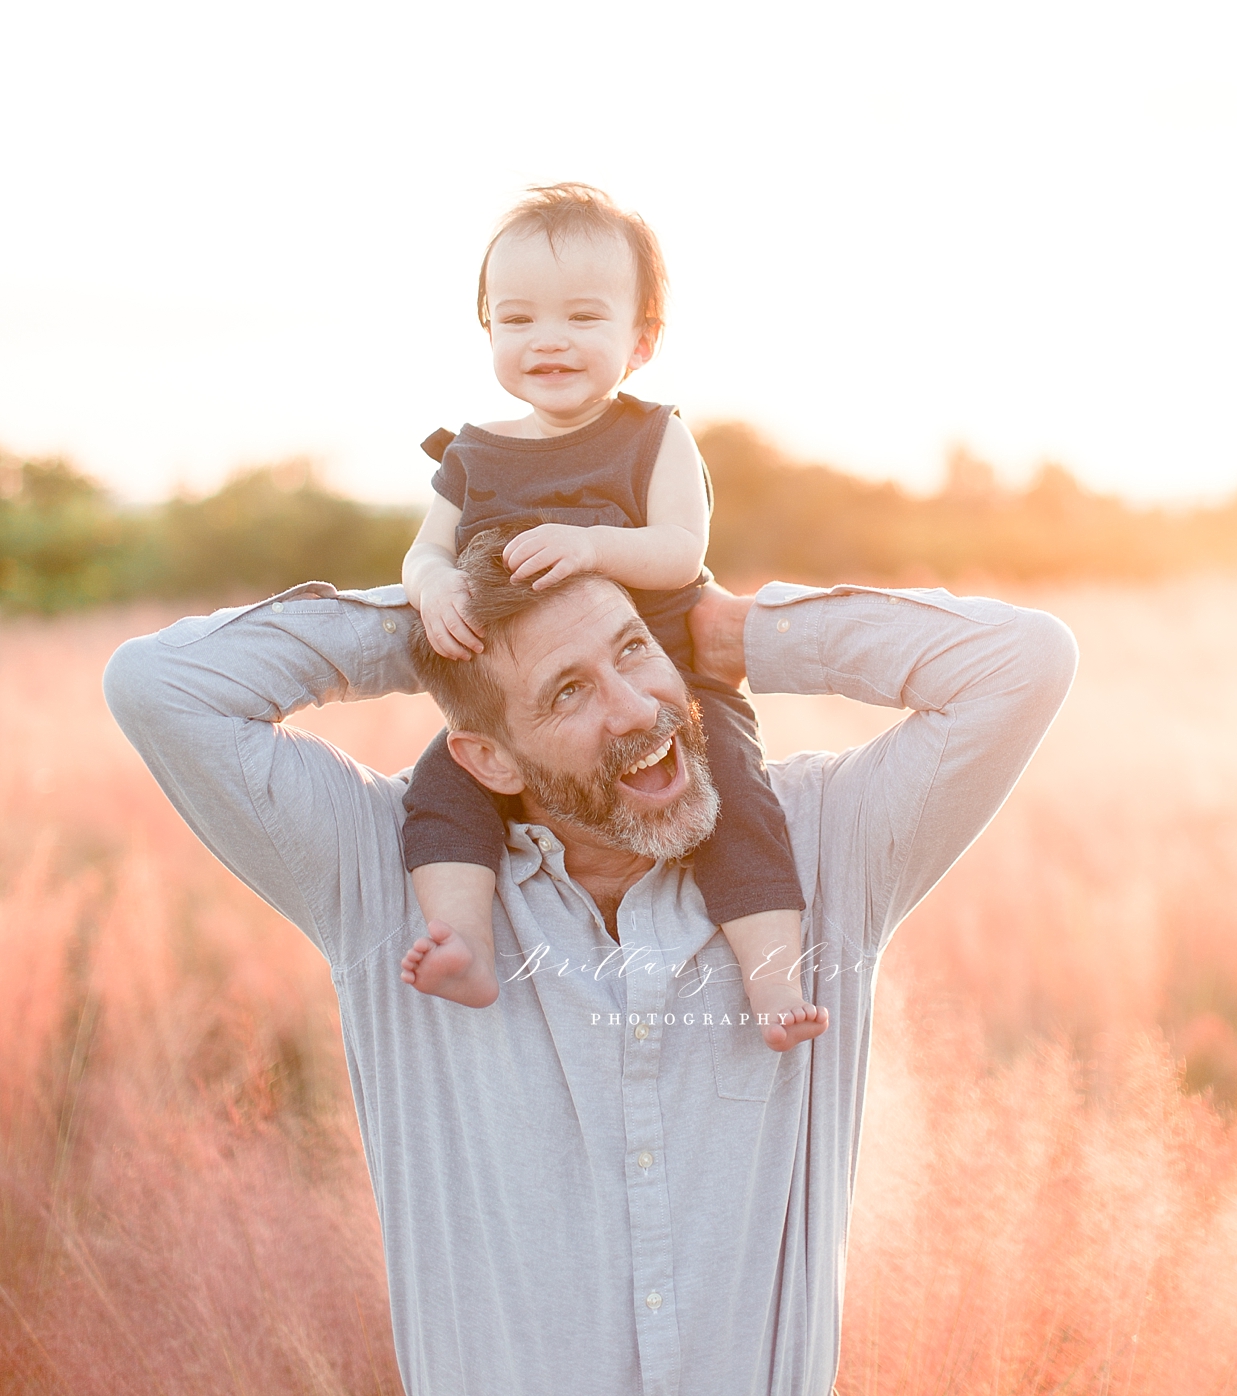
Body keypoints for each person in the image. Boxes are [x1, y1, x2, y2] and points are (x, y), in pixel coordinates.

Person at [103, 536, 1076, 1396]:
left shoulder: (826, 846)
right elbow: (160, 686)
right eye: (567, 689)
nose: (637, 706)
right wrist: (440, 611)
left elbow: (1021, 661)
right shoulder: (382, 871)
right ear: (487, 756)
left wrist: (733, 633)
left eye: (633, 648)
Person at [400, 182, 822, 1049]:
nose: (546, 339)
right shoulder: (474, 455)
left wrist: (590, 548)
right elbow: (423, 554)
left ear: (639, 340)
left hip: (671, 685)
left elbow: (676, 550)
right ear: (488, 332)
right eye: (515, 320)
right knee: (441, 790)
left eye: (581, 318)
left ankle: (774, 984)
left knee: (740, 800)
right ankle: (465, 944)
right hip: (523, 714)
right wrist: (434, 588)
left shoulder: (651, 435)